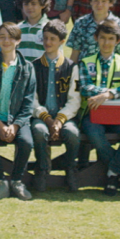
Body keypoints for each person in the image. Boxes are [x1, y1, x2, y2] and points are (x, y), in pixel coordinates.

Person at [79, 20, 120, 197]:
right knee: (94, 134)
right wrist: (115, 94)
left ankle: (113, 172)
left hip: (118, 115)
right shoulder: (86, 62)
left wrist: (107, 95)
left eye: (111, 39)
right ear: (96, 38)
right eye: (103, 38)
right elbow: (85, 88)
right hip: (93, 114)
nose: (106, 42)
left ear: (117, 41)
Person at [0, 22, 37, 201]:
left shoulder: (28, 68)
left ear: (18, 40)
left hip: (18, 121)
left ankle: (17, 181)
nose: (6, 41)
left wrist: (16, 125)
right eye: (2, 37)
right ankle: (0, 181)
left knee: (26, 142)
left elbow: (28, 102)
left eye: (11, 37)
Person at [29, 20, 81, 193]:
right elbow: (32, 99)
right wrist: (47, 119)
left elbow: (74, 100)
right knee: (39, 131)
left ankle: (70, 168)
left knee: (72, 134)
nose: (48, 42)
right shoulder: (34, 66)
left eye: (52, 39)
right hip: (41, 117)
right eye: (45, 38)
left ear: (62, 41)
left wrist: (59, 120)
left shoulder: (72, 67)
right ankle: (42, 169)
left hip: (64, 117)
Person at [15, 0, 51, 64]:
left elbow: (57, 55)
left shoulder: (50, 28)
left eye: (33, 4)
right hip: (22, 71)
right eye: (26, 4)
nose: (29, 7)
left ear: (42, 4)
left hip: (43, 70)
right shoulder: (18, 28)